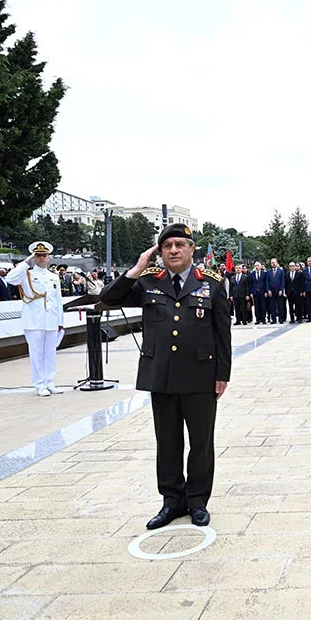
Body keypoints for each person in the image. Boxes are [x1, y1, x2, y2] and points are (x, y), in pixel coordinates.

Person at [100, 223, 231, 530]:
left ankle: (197, 501)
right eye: (167, 245)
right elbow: (109, 298)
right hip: (161, 376)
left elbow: (222, 332)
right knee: (167, 442)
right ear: (159, 251)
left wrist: (222, 374)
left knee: (201, 443)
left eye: (180, 244)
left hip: (201, 375)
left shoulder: (211, 283)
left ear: (191, 249)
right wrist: (137, 268)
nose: (174, 250)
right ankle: (171, 501)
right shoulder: (148, 282)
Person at [5, 242, 65, 396]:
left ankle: (49, 382)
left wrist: (61, 322)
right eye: (38, 255)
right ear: (34, 257)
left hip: (51, 319)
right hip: (34, 320)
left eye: (44, 255)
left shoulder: (53, 277)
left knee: (50, 352)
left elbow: (58, 301)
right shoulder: (27, 274)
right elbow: (10, 278)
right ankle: (39, 385)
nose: (41, 258)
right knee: (36, 353)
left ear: (49, 257)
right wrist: (26, 262)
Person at [266, 258, 287, 324]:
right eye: (272, 263)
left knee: (280, 305)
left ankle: (281, 319)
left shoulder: (281, 271)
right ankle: (273, 319)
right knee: (272, 306)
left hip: (279, 291)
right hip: (271, 291)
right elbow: (267, 282)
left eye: (274, 262)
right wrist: (268, 290)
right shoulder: (268, 271)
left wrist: (281, 290)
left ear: (277, 263)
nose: (273, 264)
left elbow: (283, 281)